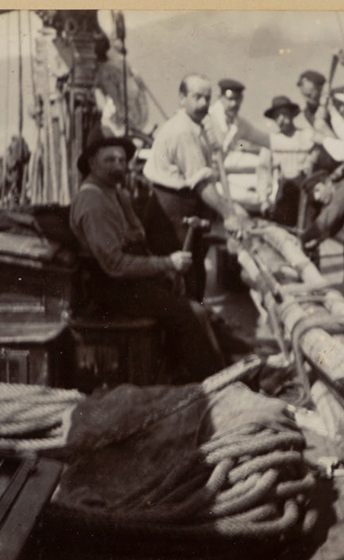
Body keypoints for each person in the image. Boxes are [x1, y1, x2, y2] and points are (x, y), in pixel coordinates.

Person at [69, 134, 225, 382]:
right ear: (92, 164)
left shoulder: (115, 194)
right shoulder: (93, 201)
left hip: (130, 281)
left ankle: (208, 370)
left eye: (121, 160)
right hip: (111, 289)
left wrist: (165, 272)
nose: (118, 165)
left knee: (199, 309)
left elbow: (138, 242)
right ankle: (217, 384)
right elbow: (114, 265)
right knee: (186, 313)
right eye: (109, 160)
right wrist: (167, 263)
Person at [141, 74, 249, 302]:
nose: (202, 104)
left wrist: (208, 127)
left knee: (193, 276)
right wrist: (229, 215)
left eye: (207, 98)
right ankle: (187, 332)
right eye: (196, 97)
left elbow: (215, 148)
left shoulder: (196, 125)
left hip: (182, 211)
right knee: (181, 283)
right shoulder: (183, 131)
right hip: (171, 213)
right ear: (182, 98)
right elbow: (202, 183)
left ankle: (193, 326)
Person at [300, 170, 344, 296]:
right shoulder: (339, 193)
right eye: (314, 194)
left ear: (329, 183)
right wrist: (318, 240)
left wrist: (303, 238)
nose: (317, 197)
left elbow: (327, 220)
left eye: (318, 190)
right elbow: (336, 224)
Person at [204, 78, 271, 205]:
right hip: (204, 177)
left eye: (237, 99)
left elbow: (265, 139)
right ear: (220, 98)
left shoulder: (238, 123)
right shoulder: (209, 118)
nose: (234, 104)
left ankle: (264, 200)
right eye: (230, 99)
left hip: (220, 174)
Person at [256, 95, 317, 226]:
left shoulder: (306, 135)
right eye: (277, 117)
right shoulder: (271, 141)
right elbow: (263, 171)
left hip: (306, 191)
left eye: (284, 114)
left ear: (292, 114)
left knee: (308, 230)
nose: (281, 120)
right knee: (283, 228)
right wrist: (264, 200)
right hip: (285, 192)